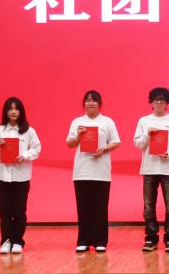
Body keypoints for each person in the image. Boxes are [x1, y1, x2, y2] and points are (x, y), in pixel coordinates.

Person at [66, 90, 121, 253]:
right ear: (84, 104)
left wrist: (104, 149)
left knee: (100, 208)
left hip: (101, 171)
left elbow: (116, 142)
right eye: (87, 100)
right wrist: (78, 136)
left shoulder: (107, 122)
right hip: (81, 170)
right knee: (83, 208)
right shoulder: (77, 122)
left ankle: (99, 241)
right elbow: (69, 144)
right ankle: (83, 240)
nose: (90, 103)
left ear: (99, 104)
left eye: (94, 100)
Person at [133, 87, 169, 253]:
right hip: (149, 169)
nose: (159, 102)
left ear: (167, 102)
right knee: (149, 206)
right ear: (151, 102)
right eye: (156, 99)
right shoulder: (144, 121)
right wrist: (147, 135)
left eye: (162, 99)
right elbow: (138, 143)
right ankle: (151, 238)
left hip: (168, 169)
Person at [0, 97, 41, 254]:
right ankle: (6, 241)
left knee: (19, 211)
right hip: (2, 176)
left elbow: (37, 149)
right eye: (10, 109)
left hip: (21, 176)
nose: (13, 112)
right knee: (4, 210)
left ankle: (17, 241)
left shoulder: (29, 131)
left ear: (21, 111)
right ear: (5, 112)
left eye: (16, 109)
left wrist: (25, 155)